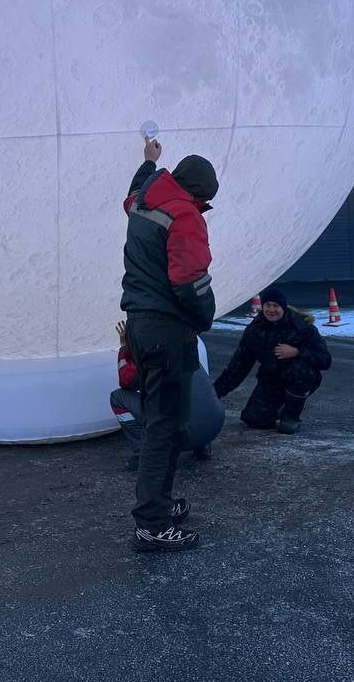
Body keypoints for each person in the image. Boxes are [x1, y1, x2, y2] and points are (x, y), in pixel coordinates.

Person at [120, 136, 218, 554]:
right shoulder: (185, 215)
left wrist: (148, 162)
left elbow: (133, 193)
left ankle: (157, 504)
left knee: (162, 423)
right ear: (199, 194)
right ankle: (152, 524)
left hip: (141, 327)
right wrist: (204, 317)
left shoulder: (146, 203)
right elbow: (189, 280)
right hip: (167, 331)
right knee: (166, 427)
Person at [212, 288, 331, 432]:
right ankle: (280, 407)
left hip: (300, 377)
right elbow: (238, 367)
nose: (271, 310)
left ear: (283, 307)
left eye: (276, 306)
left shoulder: (302, 327)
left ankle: (291, 416)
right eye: (267, 305)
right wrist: (213, 394)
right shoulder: (255, 330)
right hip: (271, 380)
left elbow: (325, 360)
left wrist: (297, 352)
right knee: (253, 419)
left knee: (298, 370)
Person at [110, 321, 224, 468]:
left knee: (118, 398)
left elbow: (125, 382)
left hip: (182, 436)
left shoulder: (148, 354)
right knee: (192, 396)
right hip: (215, 426)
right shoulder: (182, 345)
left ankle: (142, 454)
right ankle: (202, 446)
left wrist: (125, 348)